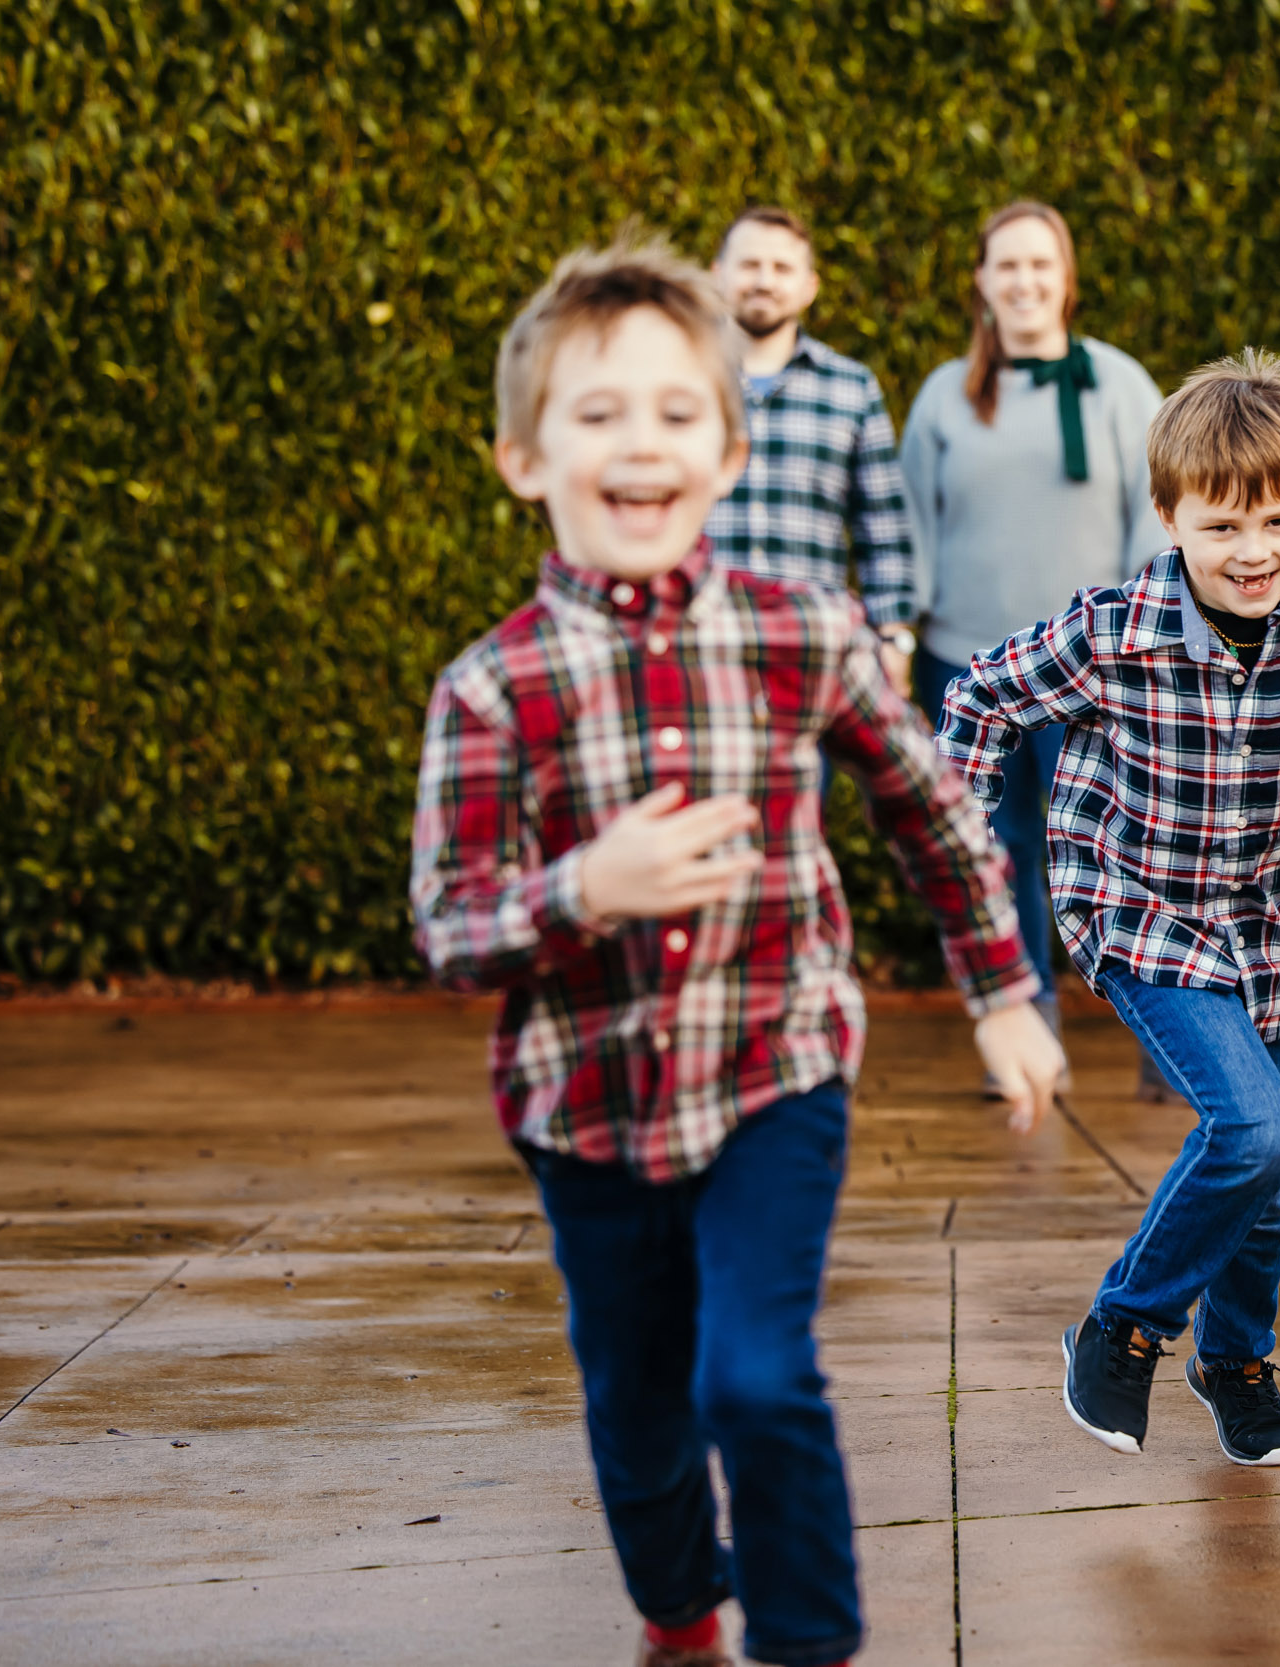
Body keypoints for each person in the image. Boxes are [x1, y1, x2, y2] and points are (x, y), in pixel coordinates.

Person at [409, 230, 1064, 1667]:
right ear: (525, 455)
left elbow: (935, 815)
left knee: (756, 1375)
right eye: (597, 414)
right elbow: (454, 926)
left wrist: (1003, 991)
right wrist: (585, 883)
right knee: (639, 1413)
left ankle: (811, 1641)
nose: (638, 444)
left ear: (726, 449)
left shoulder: (803, 632)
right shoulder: (490, 688)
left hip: (780, 1062)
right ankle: (680, 1612)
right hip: (583, 1107)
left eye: (673, 413)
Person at [938, 350, 1280, 1468]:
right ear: (1168, 515)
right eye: (1223, 527)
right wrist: (960, 818)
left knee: (1270, 1180)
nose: (1255, 554)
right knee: (1250, 1128)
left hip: (1272, 932)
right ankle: (1125, 1323)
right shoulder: (1110, 630)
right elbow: (979, 695)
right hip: (1137, 911)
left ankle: (1233, 1362)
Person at [901, 200, 1167, 1086]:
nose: (1023, 281)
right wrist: (907, 628)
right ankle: (1025, 1027)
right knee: (995, 848)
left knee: (1124, 848)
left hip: (1092, 669)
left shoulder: (1120, 385)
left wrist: (1138, 630)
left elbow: (1158, 518)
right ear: (981, 280)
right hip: (967, 665)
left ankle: (1169, 1033)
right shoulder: (946, 394)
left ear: (1066, 277)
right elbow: (912, 524)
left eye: (1039, 265)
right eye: (1005, 265)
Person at [706, 205, 917, 688]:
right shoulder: (678, 381)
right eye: (749, 265)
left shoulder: (851, 388)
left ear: (809, 286)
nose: (764, 280)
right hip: (700, 647)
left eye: (782, 268)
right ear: (717, 276)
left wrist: (895, 637)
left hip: (808, 655)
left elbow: (882, 525)